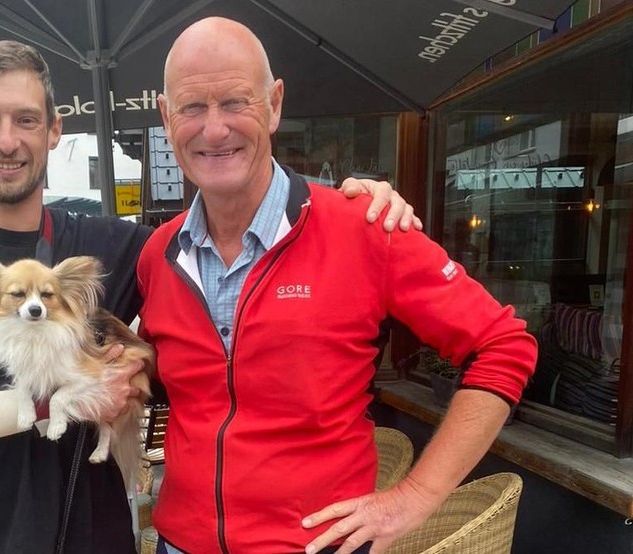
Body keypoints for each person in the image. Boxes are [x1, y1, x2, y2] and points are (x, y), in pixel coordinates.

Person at [0, 40, 418, 553]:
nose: (6, 141)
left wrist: (348, 203)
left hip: (99, 536)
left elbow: (224, 242)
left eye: (26, 119)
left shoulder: (118, 246)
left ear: (53, 130)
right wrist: (57, 402)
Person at [136, 17, 537, 554]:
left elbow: (503, 345)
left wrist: (416, 495)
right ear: (166, 117)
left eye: (234, 102)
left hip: (314, 545)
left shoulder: (366, 227)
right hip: (180, 543)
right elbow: (162, 372)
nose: (214, 130)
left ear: (274, 105)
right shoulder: (158, 255)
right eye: (192, 107)